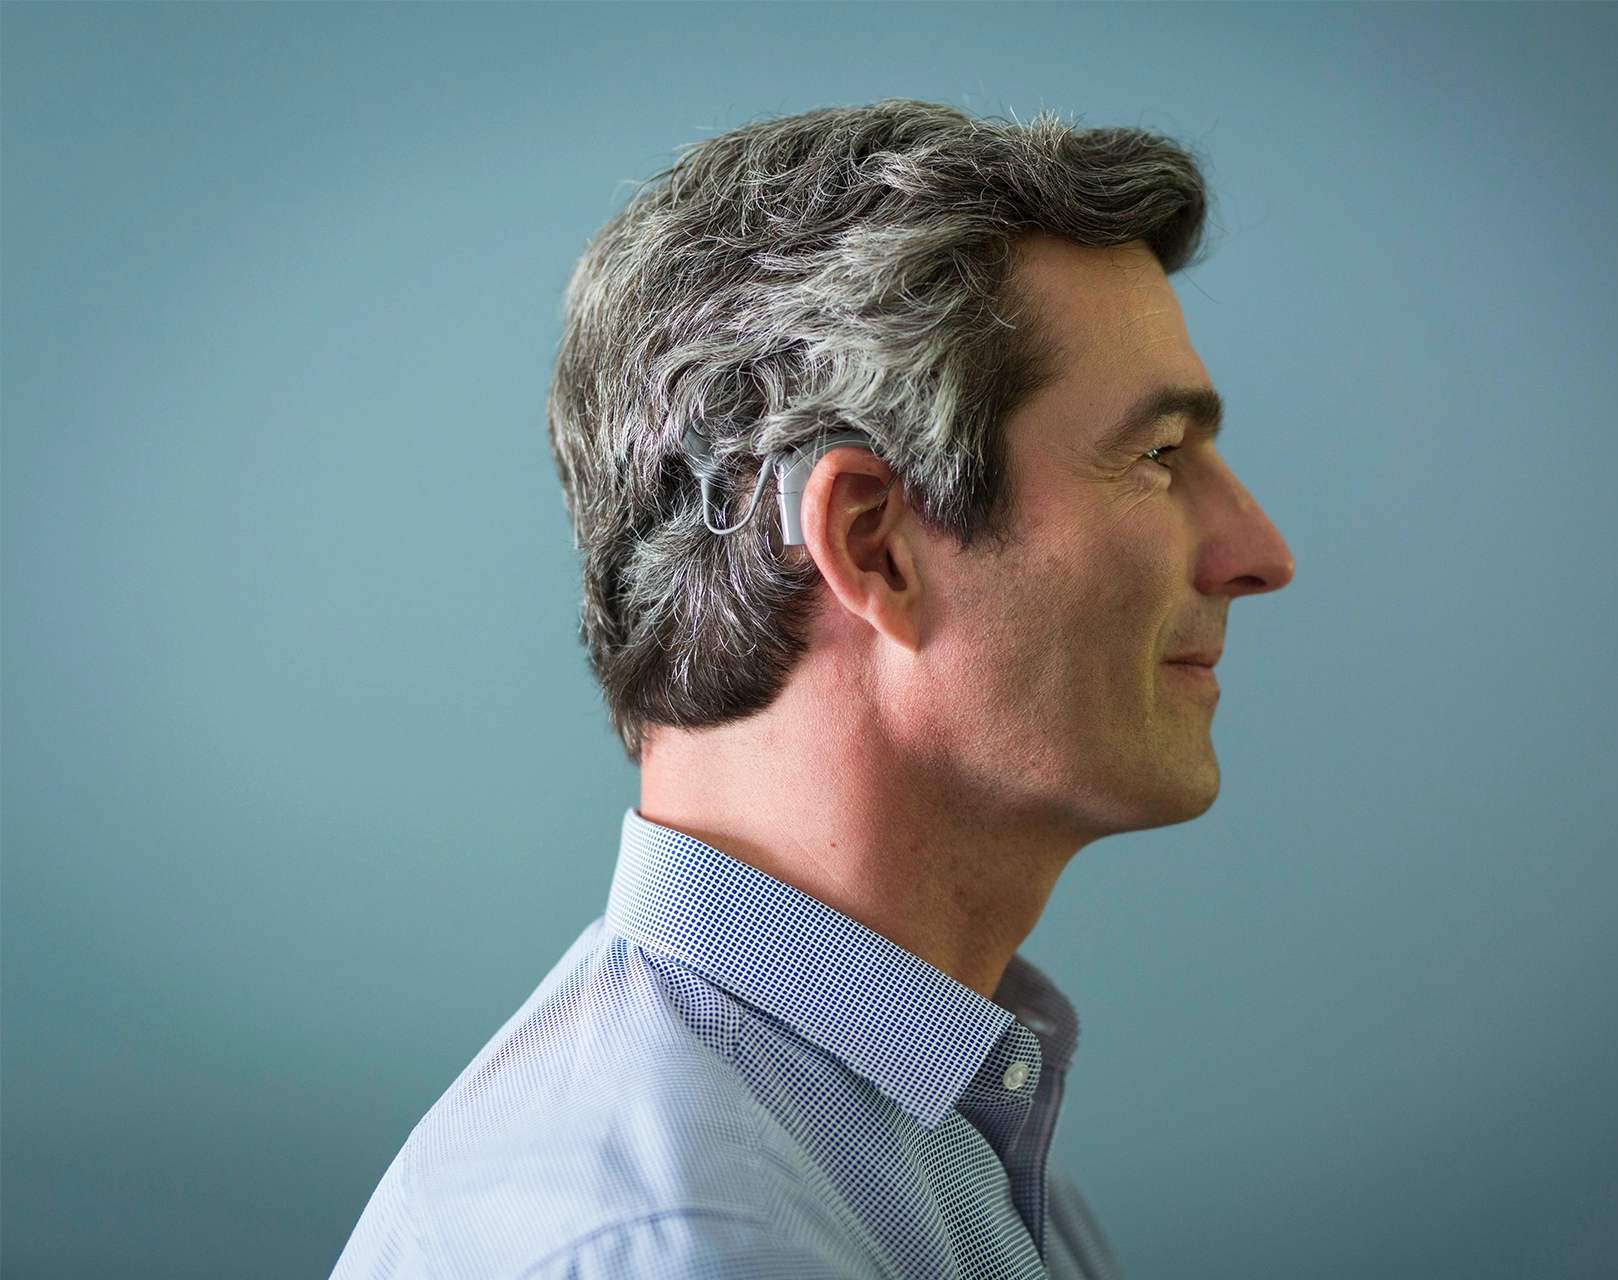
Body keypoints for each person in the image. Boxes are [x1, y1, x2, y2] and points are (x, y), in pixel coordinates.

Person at [332, 100, 1292, 1280]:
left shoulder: (927, 1140)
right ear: (873, 539)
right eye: (1156, 456)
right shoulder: (695, 1243)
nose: (1260, 550)